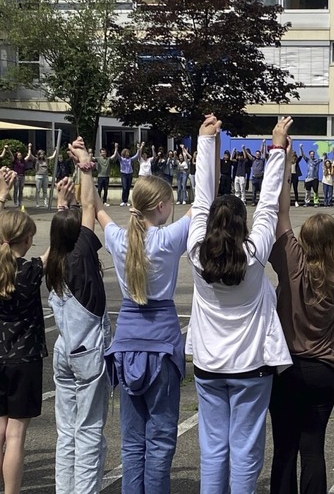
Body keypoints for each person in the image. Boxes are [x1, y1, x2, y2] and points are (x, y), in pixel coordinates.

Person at [186, 115, 292, 493]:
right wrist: (277, 147)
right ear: (242, 225)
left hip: (209, 365)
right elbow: (268, 206)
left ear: (212, 223)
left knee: (213, 449)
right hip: (251, 367)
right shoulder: (254, 253)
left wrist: (206, 140)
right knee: (246, 450)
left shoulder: (197, 253)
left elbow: (201, 197)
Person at [268, 142, 334, 494]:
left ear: (304, 240)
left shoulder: (293, 263)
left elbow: (281, 214)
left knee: (284, 449)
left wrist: (285, 163)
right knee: (314, 448)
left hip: (286, 365)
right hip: (322, 370)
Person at [100, 163, 192, 491]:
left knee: (132, 439)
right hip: (162, 342)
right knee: (161, 440)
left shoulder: (119, 238)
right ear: (161, 207)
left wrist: (85, 167)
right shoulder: (168, 238)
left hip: (126, 342)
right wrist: (209, 145)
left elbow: (95, 208)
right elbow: (204, 203)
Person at [46, 140, 110, 494]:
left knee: (66, 431)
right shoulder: (81, 257)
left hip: (63, 351)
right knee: (88, 432)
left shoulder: (53, 260)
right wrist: (85, 165)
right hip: (88, 356)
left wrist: (61, 201)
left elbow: (68, 221)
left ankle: (64, 488)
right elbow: (88, 208)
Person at [0, 167, 48, 494]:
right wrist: (64, 206)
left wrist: (2, 195)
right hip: (25, 359)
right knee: (16, 435)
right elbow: (62, 241)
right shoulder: (31, 271)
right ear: (28, 239)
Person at [113, 142, 143, 207]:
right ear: (124, 153)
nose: (128, 154)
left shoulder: (130, 159)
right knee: (124, 187)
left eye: (128, 153)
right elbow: (117, 155)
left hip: (129, 174)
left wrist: (138, 149)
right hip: (123, 174)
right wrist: (116, 148)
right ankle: (123, 200)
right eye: (127, 153)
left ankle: (126, 201)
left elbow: (137, 155)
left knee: (128, 188)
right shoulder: (121, 159)